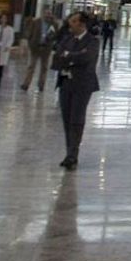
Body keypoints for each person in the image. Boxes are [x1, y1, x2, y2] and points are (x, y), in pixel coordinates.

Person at [51, 12, 101, 169]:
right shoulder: (67, 39)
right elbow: (57, 57)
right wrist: (71, 57)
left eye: (73, 22)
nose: (70, 24)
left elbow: (86, 58)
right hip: (66, 83)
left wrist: (69, 56)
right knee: (67, 119)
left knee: (77, 119)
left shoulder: (92, 42)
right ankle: (69, 153)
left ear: (81, 24)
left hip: (82, 85)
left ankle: (73, 154)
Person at [23, 11, 59, 92]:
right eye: (46, 14)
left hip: (46, 49)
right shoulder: (36, 22)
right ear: (43, 14)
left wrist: (54, 24)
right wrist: (30, 42)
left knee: (44, 68)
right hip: (35, 47)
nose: (48, 16)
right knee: (31, 66)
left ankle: (41, 85)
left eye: (49, 14)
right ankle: (26, 84)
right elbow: (29, 33)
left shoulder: (54, 24)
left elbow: (55, 35)